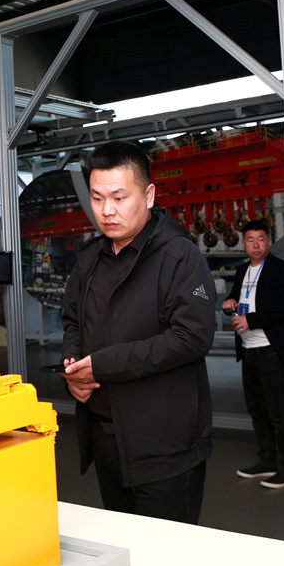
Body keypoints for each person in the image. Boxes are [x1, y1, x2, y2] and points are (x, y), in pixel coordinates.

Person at [60, 140, 216, 524]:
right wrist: (73, 368)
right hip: (107, 441)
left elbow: (192, 337)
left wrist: (102, 365)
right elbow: (73, 320)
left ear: (148, 196)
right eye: (97, 198)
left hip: (164, 449)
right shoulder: (90, 258)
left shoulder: (178, 256)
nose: (107, 211)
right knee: (123, 547)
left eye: (119, 197)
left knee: (167, 554)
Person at [222, 220, 284, 489]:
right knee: (257, 411)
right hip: (248, 350)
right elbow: (235, 299)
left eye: (260, 239)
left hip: (269, 349)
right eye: (250, 239)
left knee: (278, 412)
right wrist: (229, 304)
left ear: (269, 241)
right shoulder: (243, 270)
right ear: (244, 243)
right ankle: (267, 461)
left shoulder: (281, 269)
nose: (255, 244)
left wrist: (251, 320)